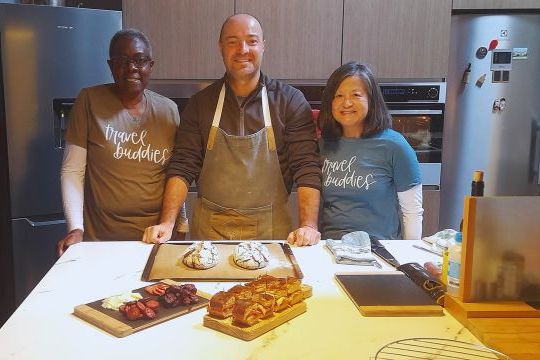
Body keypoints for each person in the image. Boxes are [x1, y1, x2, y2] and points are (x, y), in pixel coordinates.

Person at [142, 14, 321, 246]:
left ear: (264, 45)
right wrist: (167, 223)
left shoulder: (290, 102)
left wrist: (308, 225)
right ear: (220, 47)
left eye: (252, 41)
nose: (242, 49)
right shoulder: (200, 104)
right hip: (209, 239)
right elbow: (183, 165)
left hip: (272, 236)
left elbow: (306, 167)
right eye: (232, 41)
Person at [57, 29, 188, 256]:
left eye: (140, 60)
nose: (132, 68)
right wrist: (76, 228)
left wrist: (181, 222)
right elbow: (72, 171)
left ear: (150, 65)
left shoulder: (169, 110)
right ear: (110, 65)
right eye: (122, 60)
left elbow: (176, 172)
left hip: (156, 238)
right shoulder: (89, 101)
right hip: (103, 240)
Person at [318, 62, 423, 240]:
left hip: (379, 252)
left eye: (356, 95)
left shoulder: (395, 145)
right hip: (330, 249)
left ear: (371, 100)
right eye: (339, 95)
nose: (347, 103)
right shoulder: (323, 145)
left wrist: (409, 258)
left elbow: (412, 212)